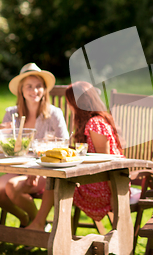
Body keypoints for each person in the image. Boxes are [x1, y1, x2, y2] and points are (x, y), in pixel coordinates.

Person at [26, 81, 124, 231]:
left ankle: (47, 227)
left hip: (108, 186)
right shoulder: (91, 122)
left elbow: (107, 163)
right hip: (98, 182)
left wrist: (114, 195)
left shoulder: (95, 123)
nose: (69, 107)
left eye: (69, 103)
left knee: (56, 183)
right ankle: (47, 227)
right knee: (55, 181)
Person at [0, 63, 69, 227]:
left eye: (38, 86)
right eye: (29, 86)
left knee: (12, 187)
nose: (34, 91)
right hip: (17, 167)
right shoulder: (11, 114)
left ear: (44, 89)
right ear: (21, 89)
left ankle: (36, 223)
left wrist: (37, 167)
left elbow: (65, 144)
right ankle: (30, 221)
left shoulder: (54, 113)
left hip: (45, 171)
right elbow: (2, 146)